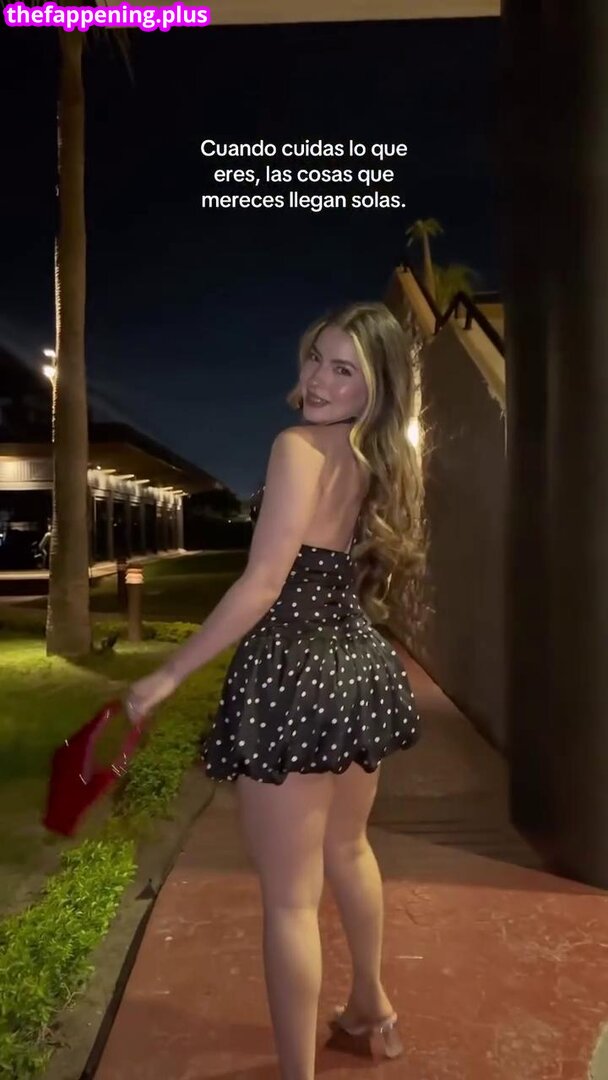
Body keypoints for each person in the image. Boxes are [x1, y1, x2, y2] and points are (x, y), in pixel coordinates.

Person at [124, 301, 425, 1079]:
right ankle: (373, 1012)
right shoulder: (379, 458)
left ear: (375, 387)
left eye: (343, 369)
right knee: (350, 850)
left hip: (294, 675)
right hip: (356, 667)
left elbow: (262, 584)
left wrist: (167, 673)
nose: (318, 379)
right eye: (316, 357)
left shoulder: (297, 447)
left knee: (292, 897)